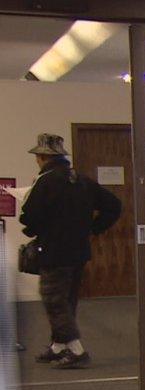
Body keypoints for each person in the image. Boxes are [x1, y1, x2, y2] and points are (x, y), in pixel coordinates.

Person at [20, 133, 122, 368]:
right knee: (67, 299)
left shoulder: (45, 181)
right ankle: (58, 346)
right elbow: (114, 206)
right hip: (78, 251)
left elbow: (28, 217)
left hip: (54, 251)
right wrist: (93, 228)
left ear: (43, 157)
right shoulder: (81, 180)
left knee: (54, 300)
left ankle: (76, 350)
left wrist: (33, 230)